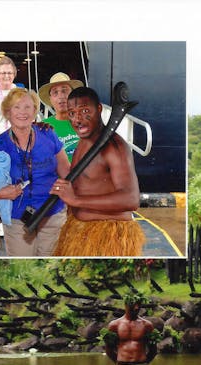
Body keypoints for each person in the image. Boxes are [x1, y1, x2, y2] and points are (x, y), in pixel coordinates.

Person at [51, 87, 145, 257]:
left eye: (85, 111)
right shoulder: (84, 141)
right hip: (79, 231)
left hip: (108, 237)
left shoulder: (114, 147)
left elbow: (131, 199)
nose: (78, 119)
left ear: (99, 109)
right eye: (72, 113)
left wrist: (76, 200)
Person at [0, 88, 70, 256]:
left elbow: (66, 171)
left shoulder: (48, 133)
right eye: (17, 107)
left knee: (51, 266)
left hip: (53, 213)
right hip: (18, 218)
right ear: (8, 112)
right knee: (23, 266)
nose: (22, 112)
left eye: (27, 107)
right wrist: (0, 193)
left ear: (34, 111)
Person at [39, 72, 83, 162]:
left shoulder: (86, 122)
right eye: (55, 92)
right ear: (50, 99)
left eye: (64, 91)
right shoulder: (43, 127)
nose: (61, 96)